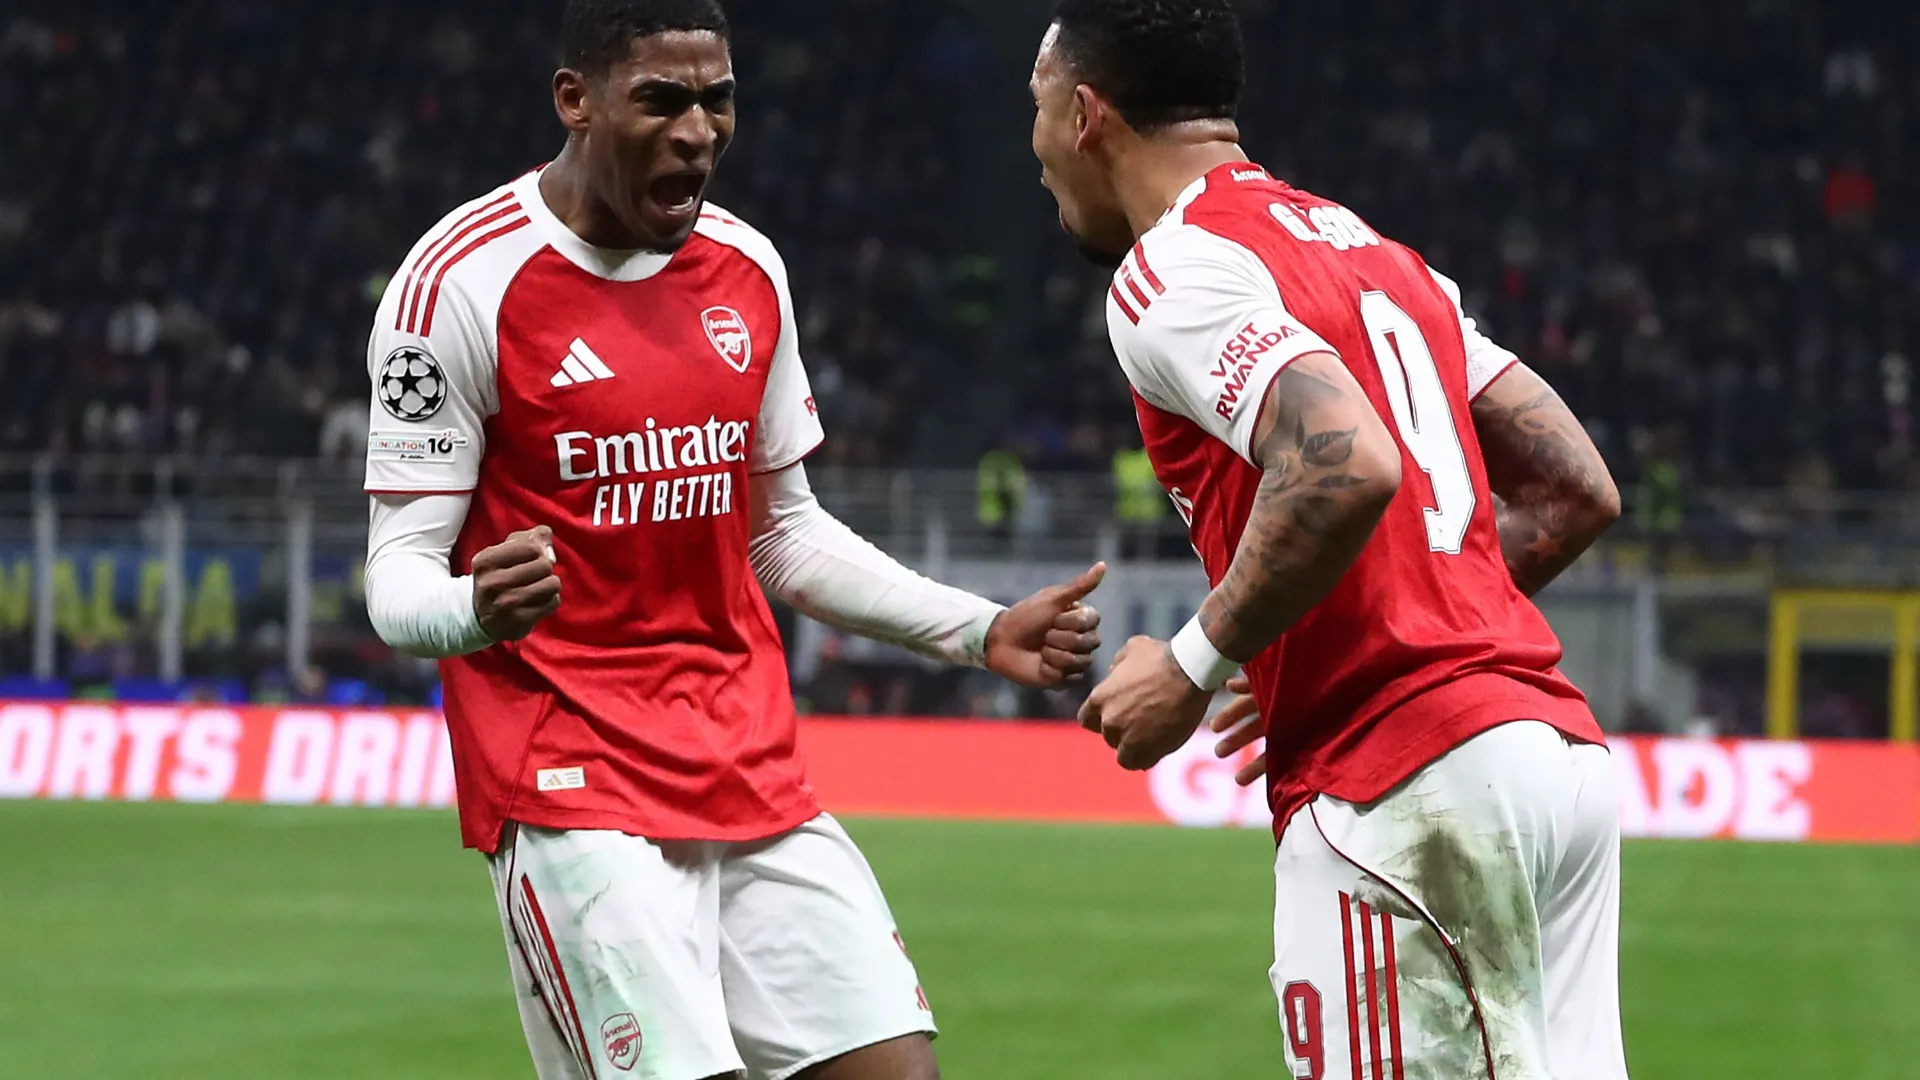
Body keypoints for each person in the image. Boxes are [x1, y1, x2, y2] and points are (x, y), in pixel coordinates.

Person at [360, 3, 1106, 1078]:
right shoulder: (461, 283)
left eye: (718, 101)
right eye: (661, 100)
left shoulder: (747, 270)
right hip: (573, 784)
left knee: (896, 1069)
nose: (697, 132)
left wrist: (980, 630)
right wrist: (472, 607)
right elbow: (395, 579)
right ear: (576, 101)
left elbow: (783, 535)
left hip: (747, 763)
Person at [1031, 2, 1627, 1077]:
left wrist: (1190, 663)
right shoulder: (1379, 255)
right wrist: (1367, 622)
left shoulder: (1172, 271)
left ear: (1084, 115)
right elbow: (1577, 490)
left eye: (1032, 109)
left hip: (1407, 788)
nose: (1031, 154)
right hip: (1555, 767)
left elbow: (1346, 460)